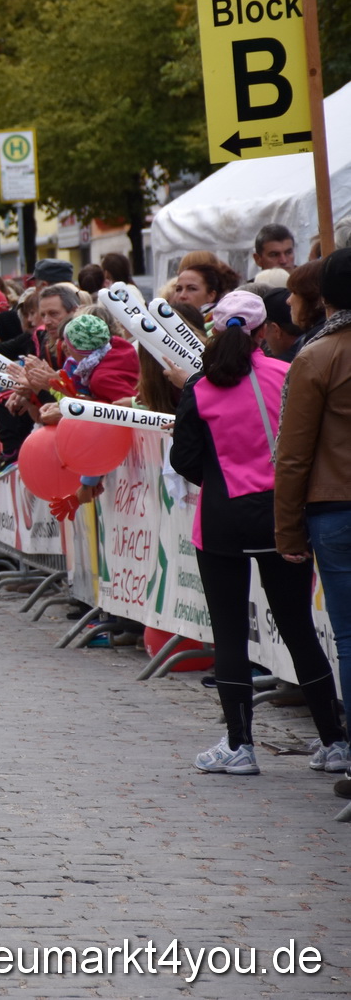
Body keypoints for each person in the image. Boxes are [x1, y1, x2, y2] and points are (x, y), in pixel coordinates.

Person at [172, 290, 347, 775]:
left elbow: (182, 459)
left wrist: (219, 477)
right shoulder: (287, 372)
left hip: (222, 518)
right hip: (283, 514)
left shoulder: (200, 386)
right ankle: (335, 742)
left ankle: (239, 746)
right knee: (297, 629)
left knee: (229, 634)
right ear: (261, 330)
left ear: (216, 329)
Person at [273, 249, 351, 789]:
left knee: (349, 637)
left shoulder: (317, 356)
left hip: (334, 510)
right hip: (332, 508)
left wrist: (286, 528)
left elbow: (292, 454)